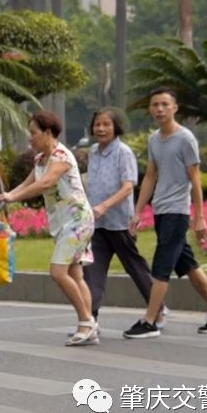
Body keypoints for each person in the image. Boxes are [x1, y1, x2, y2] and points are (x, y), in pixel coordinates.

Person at [122, 88, 207, 339]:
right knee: (188, 265)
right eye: (154, 105)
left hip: (177, 212)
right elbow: (151, 175)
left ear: (175, 108)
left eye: (164, 104)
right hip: (161, 210)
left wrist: (200, 216)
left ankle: (150, 320)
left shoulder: (186, 139)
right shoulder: (154, 140)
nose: (159, 109)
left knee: (161, 267)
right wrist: (138, 210)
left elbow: (195, 179)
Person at [0, 111, 97, 346]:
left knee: (58, 272)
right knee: (75, 275)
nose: (30, 138)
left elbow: (45, 183)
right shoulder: (41, 159)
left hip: (78, 221)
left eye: (33, 133)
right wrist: (8, 195)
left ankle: (86, 322)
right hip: (64, 223)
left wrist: (10, 198)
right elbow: (29, 183)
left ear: (48, 133)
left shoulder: (61, 156)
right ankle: (90, 325)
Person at [84, 107, 166, 327]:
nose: (100, 129)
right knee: (92, 271)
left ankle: (158, 309)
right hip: (97, 225)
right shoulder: (92, 151)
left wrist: (104, 206)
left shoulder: (124, 152)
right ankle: (91, 318)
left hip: (120, 223)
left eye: (106, 124)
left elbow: (128, 187)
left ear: (116, 127)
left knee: (135, 268)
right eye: (97, 124)